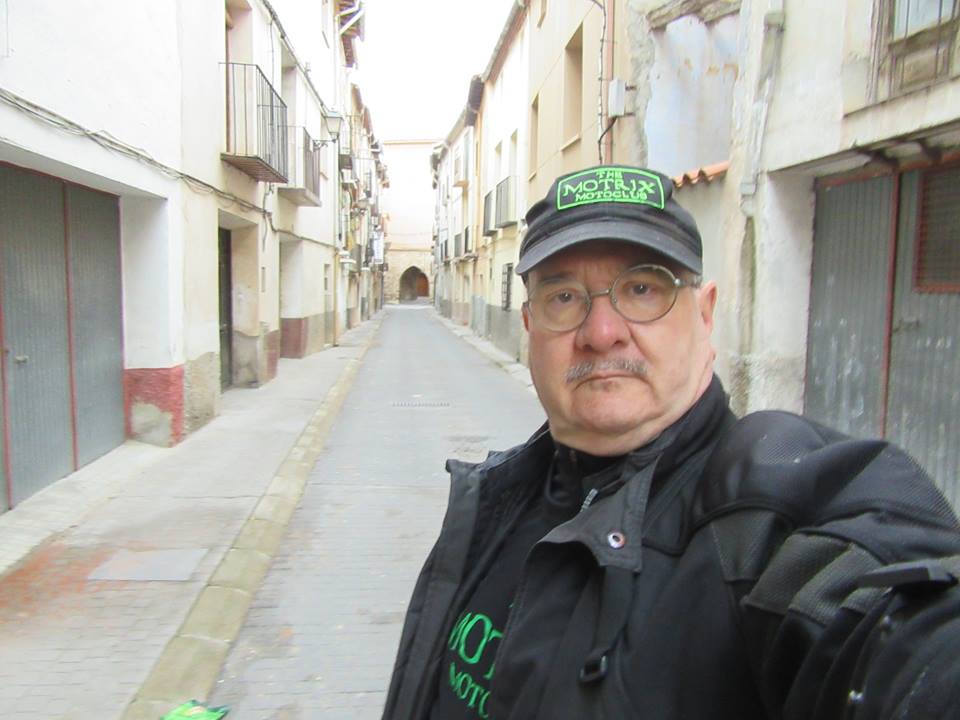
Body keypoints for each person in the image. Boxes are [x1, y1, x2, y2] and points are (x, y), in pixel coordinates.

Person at [381, 165, 960, 720]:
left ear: (705, 315)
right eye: (564, 298)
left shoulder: (763, 524)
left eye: (642, 289)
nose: (601, 333)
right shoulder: (495, 499)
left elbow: (900, 639)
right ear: (531, 327)